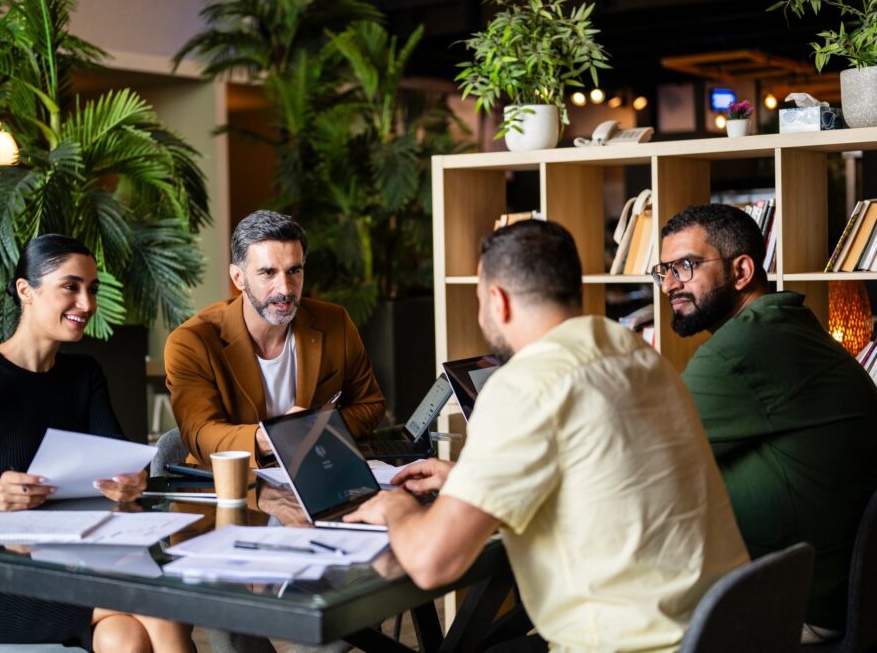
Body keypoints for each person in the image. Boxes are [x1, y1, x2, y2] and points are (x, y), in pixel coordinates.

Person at [344, 219, 748, 652]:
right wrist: (466, 479)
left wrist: (398, 508)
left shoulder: (525, 384)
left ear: (497, 301)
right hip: (719, 629)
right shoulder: (636, 354)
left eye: (479, 301)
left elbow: (430, 563)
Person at [0, 234, 194, 653]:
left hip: (74, 559)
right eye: (70, 287)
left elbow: (123, 464)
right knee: (158, 603)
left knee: (123, 638)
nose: (87, 304)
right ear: (26, 290)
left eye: (91, 289)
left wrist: (132, 482)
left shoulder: (84, 374)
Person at [657, 203, 877, 641]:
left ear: (741, 271)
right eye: (663, 270)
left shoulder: (738, 350)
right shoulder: (786, 322)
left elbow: (648, 457)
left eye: (685, 266)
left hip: (795, 602)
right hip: (837, 589)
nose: (668, 285)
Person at [165, 210, 385, 468]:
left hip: (315, 473)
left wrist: (316, 428)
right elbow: (199, 433)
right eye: (268, 273)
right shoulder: (191, 342)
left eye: (294, 270)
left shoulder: (334, 322)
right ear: (238, 278)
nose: (285, 289)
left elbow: (370, 405)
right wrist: (271, 437)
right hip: (228, 485)